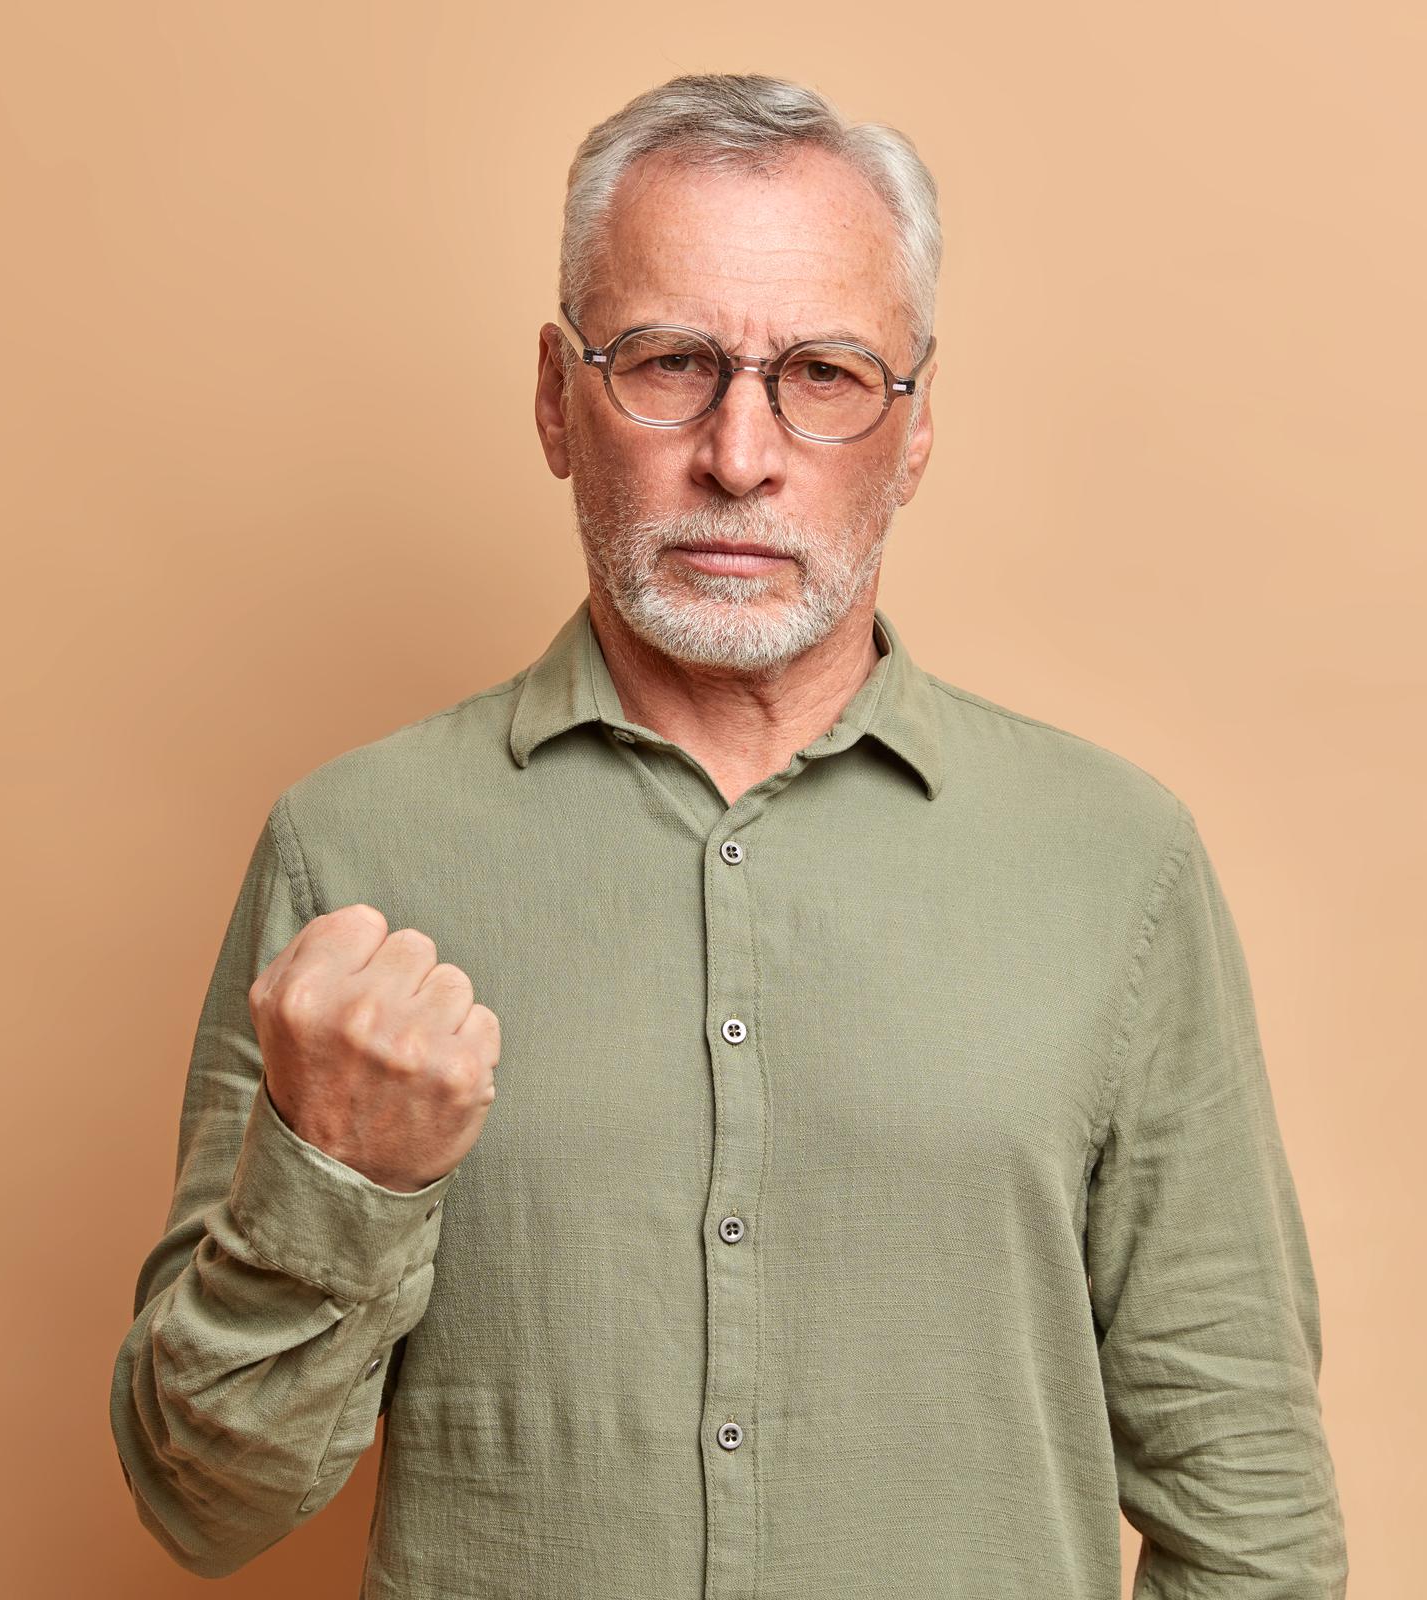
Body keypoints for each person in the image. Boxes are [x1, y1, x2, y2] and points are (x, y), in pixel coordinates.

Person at [108, 71, 1348, 1598]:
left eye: (823, 375)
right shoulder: (352, 849)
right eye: (670, 362)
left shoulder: (1118, 864)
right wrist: (341, 1182)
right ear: (559, 399)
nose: (742, 456)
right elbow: (202, 1499)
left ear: (915, 428)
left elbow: (1253, 1518)